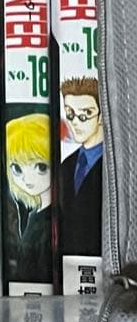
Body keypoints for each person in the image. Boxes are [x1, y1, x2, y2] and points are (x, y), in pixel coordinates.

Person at [4, 113, 52, 283]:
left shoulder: (50, 220)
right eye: (17, 169)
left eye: (40, 167)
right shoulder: (35, 215)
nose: (27, 179)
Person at [59, 77, 103, 258]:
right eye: (70, 114)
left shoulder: (115, 166)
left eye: (85, 114)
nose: (75, 122)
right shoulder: (66, 165)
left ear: (102, 116)